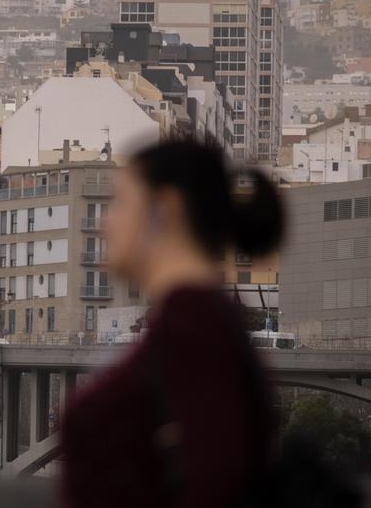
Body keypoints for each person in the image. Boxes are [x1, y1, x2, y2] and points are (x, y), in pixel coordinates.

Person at [60, 139, 282, 508]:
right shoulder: (197, 323)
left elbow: (216, 482)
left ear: (164, 210)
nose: (104, 222)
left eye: (121, 202)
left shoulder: (194, 332)